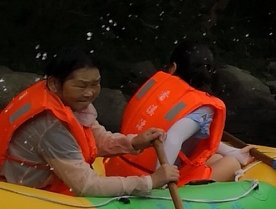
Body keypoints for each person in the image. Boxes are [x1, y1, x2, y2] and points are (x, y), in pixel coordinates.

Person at [0, 47, 176, 197]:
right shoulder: (50, 126)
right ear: (54, 83)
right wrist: (149, 182)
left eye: (95, 84)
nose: (90, 93)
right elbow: (85, 185)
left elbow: (94, 137)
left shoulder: (66, 101)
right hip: (24, 195)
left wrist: (133, 142)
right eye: (82, 86)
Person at [106, 40, 250, 186]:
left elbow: (190, 136)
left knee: (216, 158)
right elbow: (173, 137)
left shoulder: (157, 90)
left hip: (119, 167)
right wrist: (159, 180)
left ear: (172, 68)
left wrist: (233, 152)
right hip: (149, 178)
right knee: (231, 164)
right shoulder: (203, 107)